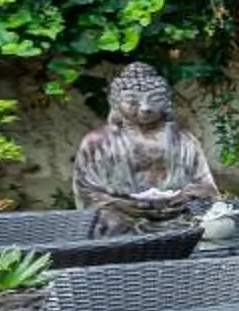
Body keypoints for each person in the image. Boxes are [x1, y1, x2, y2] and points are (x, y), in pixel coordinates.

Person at [71, 62, 221, 234]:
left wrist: (185, 198)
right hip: (122, 218)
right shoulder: (97, 142)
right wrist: (119, 204)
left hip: (177, 217)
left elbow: (206, 187)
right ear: (116, 103)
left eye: (155, 99)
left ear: (166, 103)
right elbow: (86, 191)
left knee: (212, 223)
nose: (145, 108)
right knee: (111, 224)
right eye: (133, 101)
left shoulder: (185, 141)